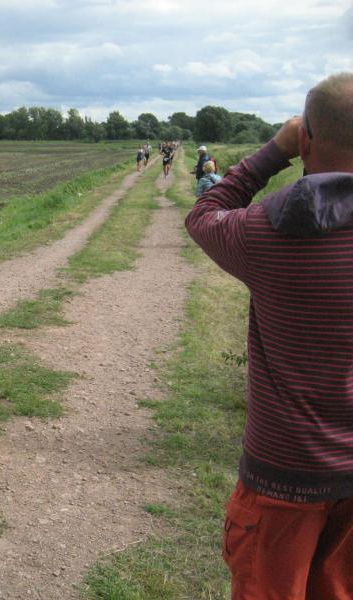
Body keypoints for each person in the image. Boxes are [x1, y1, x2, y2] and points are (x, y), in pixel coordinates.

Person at [185, 72, 353, 600]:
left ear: (306, 139)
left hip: (284, 475)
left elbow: (204, 213)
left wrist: (274, 152)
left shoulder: (267, 232)